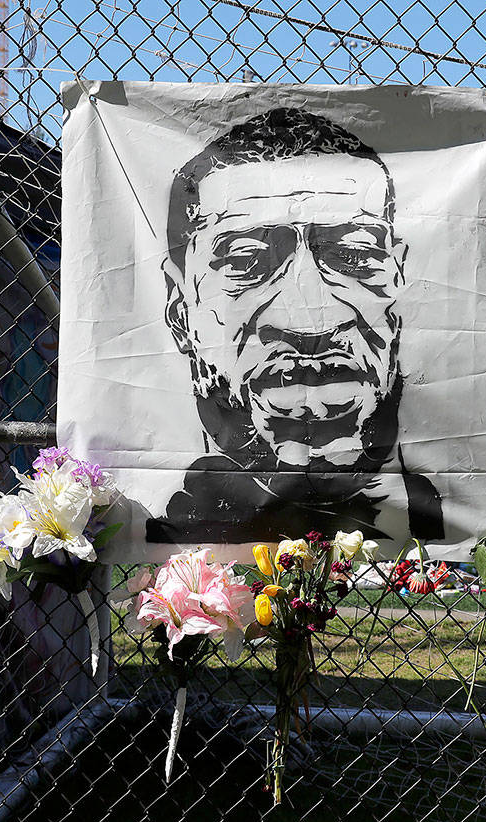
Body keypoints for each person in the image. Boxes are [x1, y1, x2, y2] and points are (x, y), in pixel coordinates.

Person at [146, 107, 443, 544]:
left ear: (399, 283)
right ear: (179, 310)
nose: (309, 319)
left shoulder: (455, 518)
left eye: (357, 256)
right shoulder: (138, 521)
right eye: (247, 261)